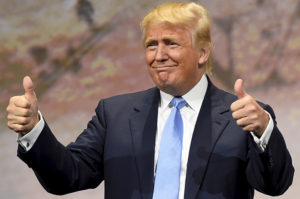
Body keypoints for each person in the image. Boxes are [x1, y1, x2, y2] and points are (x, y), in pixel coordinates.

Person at [6, 2, 294, 199]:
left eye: (171, 43)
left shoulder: (243, 117)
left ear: (203, 53)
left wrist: (263, 130)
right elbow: (67, 176)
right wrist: (33, 129)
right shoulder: (115, 114)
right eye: (151, 45)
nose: (159, 55)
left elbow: (275, 185)